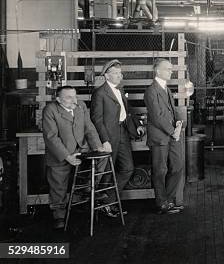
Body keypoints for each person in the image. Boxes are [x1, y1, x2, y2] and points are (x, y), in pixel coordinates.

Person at [42, 86, 109, 229]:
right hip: (60, 153)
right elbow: (51, 137)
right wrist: (67, 156)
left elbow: (89, 127)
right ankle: (59, 215)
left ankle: (87, 190)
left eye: (74, 96)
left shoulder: (81, 106)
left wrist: (97, 146)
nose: (74, 100)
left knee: (102, 159)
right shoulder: (50, 110)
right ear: (58, 99)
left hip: (81, 149)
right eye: (68, 97)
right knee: (58, 185)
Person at [91, 59, 145, 218]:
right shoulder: (99, 93)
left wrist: (137, 125)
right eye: (115, 73)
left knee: (128, 168)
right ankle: (105, 204)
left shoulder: (120, 91)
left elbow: (126, 113)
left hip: (123, 132)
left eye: (120, 73)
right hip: (109, 136)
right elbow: (97, 119)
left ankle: (107, 201)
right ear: (106, 76)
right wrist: (104, 140)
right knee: (108, 170)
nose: (119, 76)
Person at [144, 59, 184, 214]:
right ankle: (162, 203)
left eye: (171, 69)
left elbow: (171, 110)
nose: (170, 71)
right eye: (167, 69)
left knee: (178, 165)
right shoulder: (151, 91)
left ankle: (169, 199)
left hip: (171, 134)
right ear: (158, 71)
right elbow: (156, 116)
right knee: (160, 170)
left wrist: (179, 122)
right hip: (160, 137)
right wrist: (172, 130)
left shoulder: (165, 89)